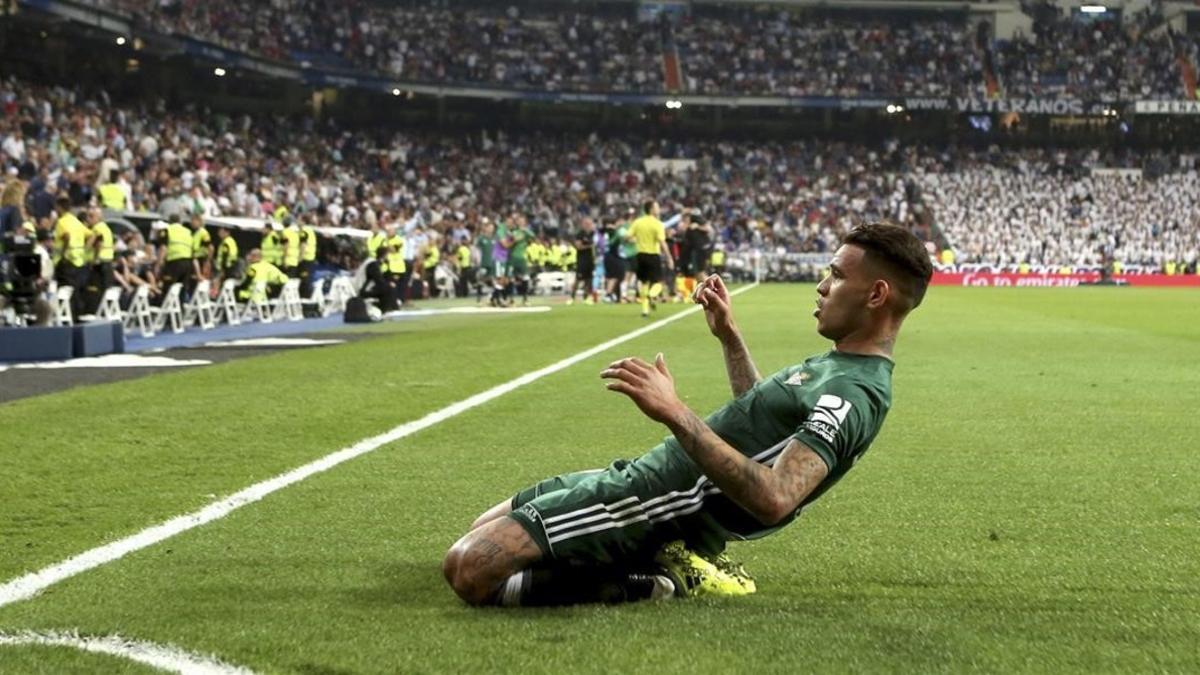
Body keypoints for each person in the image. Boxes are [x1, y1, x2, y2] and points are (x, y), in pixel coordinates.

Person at [442, 223, 934, 607]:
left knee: (468, 569)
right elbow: (758, 416)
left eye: (838, 275)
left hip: (655, 501)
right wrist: (730, 337)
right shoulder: (838, 364)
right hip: (648, 476)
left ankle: (658, 579)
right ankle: (654, 559)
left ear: (876, 295)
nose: (822, 286)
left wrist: (676, 413)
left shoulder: (853, 392)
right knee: (481, 527)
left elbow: (777, 497)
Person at [627, 200, 673, 317]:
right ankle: (653, 295)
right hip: (653, 255)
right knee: (659, 282)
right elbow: (662, 243)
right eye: (657, 207)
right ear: (651, 209)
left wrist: (638, 240)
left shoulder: (638, 222)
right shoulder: (657, 224)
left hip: (640, 255)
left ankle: (645, 310)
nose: (659, 209)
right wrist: (669, 258)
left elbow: (628, 237)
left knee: (644, 283)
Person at [567, 217, 598, 305]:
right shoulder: (579, 234)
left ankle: (586, 297)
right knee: (578, 279)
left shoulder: (593, 234)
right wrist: (590, 246)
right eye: (587, 224)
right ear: (583, 224)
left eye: (590, 224)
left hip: (590, 260)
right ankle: (571, 297)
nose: (589, 226)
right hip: (582, 260)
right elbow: (578, 247)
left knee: (589, 279)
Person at [212, 226, 241, 296]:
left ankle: (216, 297)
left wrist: (222, 269)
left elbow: (225, 256)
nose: (219, 234)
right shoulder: (231, 241)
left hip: (225, 268)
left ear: (227, 232)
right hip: (230, 267)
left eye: (221, 232)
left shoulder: (226, 242)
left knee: (218, 283)